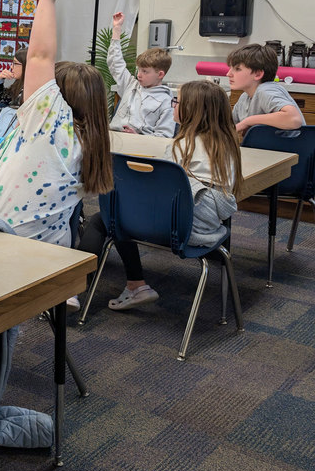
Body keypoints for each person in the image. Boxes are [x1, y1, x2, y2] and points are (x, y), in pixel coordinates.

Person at [0, 0, 114, 249]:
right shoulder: (91, 142)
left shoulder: (49, 126)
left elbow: (39, 57)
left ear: (58, 97)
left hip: (1, 245)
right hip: (48, 247)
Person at [79, 80, 242, 310]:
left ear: (192, 110)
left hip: (176, 229)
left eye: (177, 101)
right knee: (120, 214)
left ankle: (74, 289)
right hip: (196, 227)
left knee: (107, 218)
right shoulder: (228, 147)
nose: (173, 105)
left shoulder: (181, 146)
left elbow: (160, 192)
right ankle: (136, 286)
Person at [107, 12, 174, 136]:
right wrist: (117, 29)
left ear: (160, 75)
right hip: (115, 136)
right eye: (139, 70)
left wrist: (138, 137)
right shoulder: (131, 84)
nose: (139, 75)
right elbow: (115, 63)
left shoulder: (166, 101)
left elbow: (164, 136)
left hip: (140, 145)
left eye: (145, 71)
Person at [226, 43, 304, 133]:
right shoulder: (244, 97)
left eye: (237, 69)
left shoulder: (266, 90)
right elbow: (229, 127)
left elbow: (294, 119)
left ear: (258, 74)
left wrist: (249, 121)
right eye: (230, 68)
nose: (228, 74)